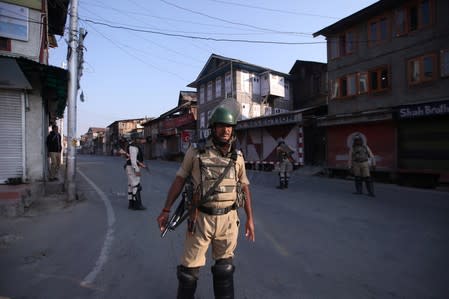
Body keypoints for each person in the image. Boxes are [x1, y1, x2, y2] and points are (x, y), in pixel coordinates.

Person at [157, 104, 255, 299]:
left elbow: (244, 187)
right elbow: (179, 180)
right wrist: (166, 210)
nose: (226, 130)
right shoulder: (195, 152)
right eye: (221, 125)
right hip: (200, 219)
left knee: (224, 269)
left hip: (228, 220)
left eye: (229, 126)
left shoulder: (238, 157)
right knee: (188, 273)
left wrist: (250, 219)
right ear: (212, 127)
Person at [124, 134, 147, 210]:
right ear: (135, 139)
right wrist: (137, 170)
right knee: (136, 186)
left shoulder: (131, 146)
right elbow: (133, 161)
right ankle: (137, 205)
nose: (140, 140)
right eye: (139, 139)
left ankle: (131, 204)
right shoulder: (133, 147)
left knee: (131, 185)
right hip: (132, 168)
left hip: (129, 167)